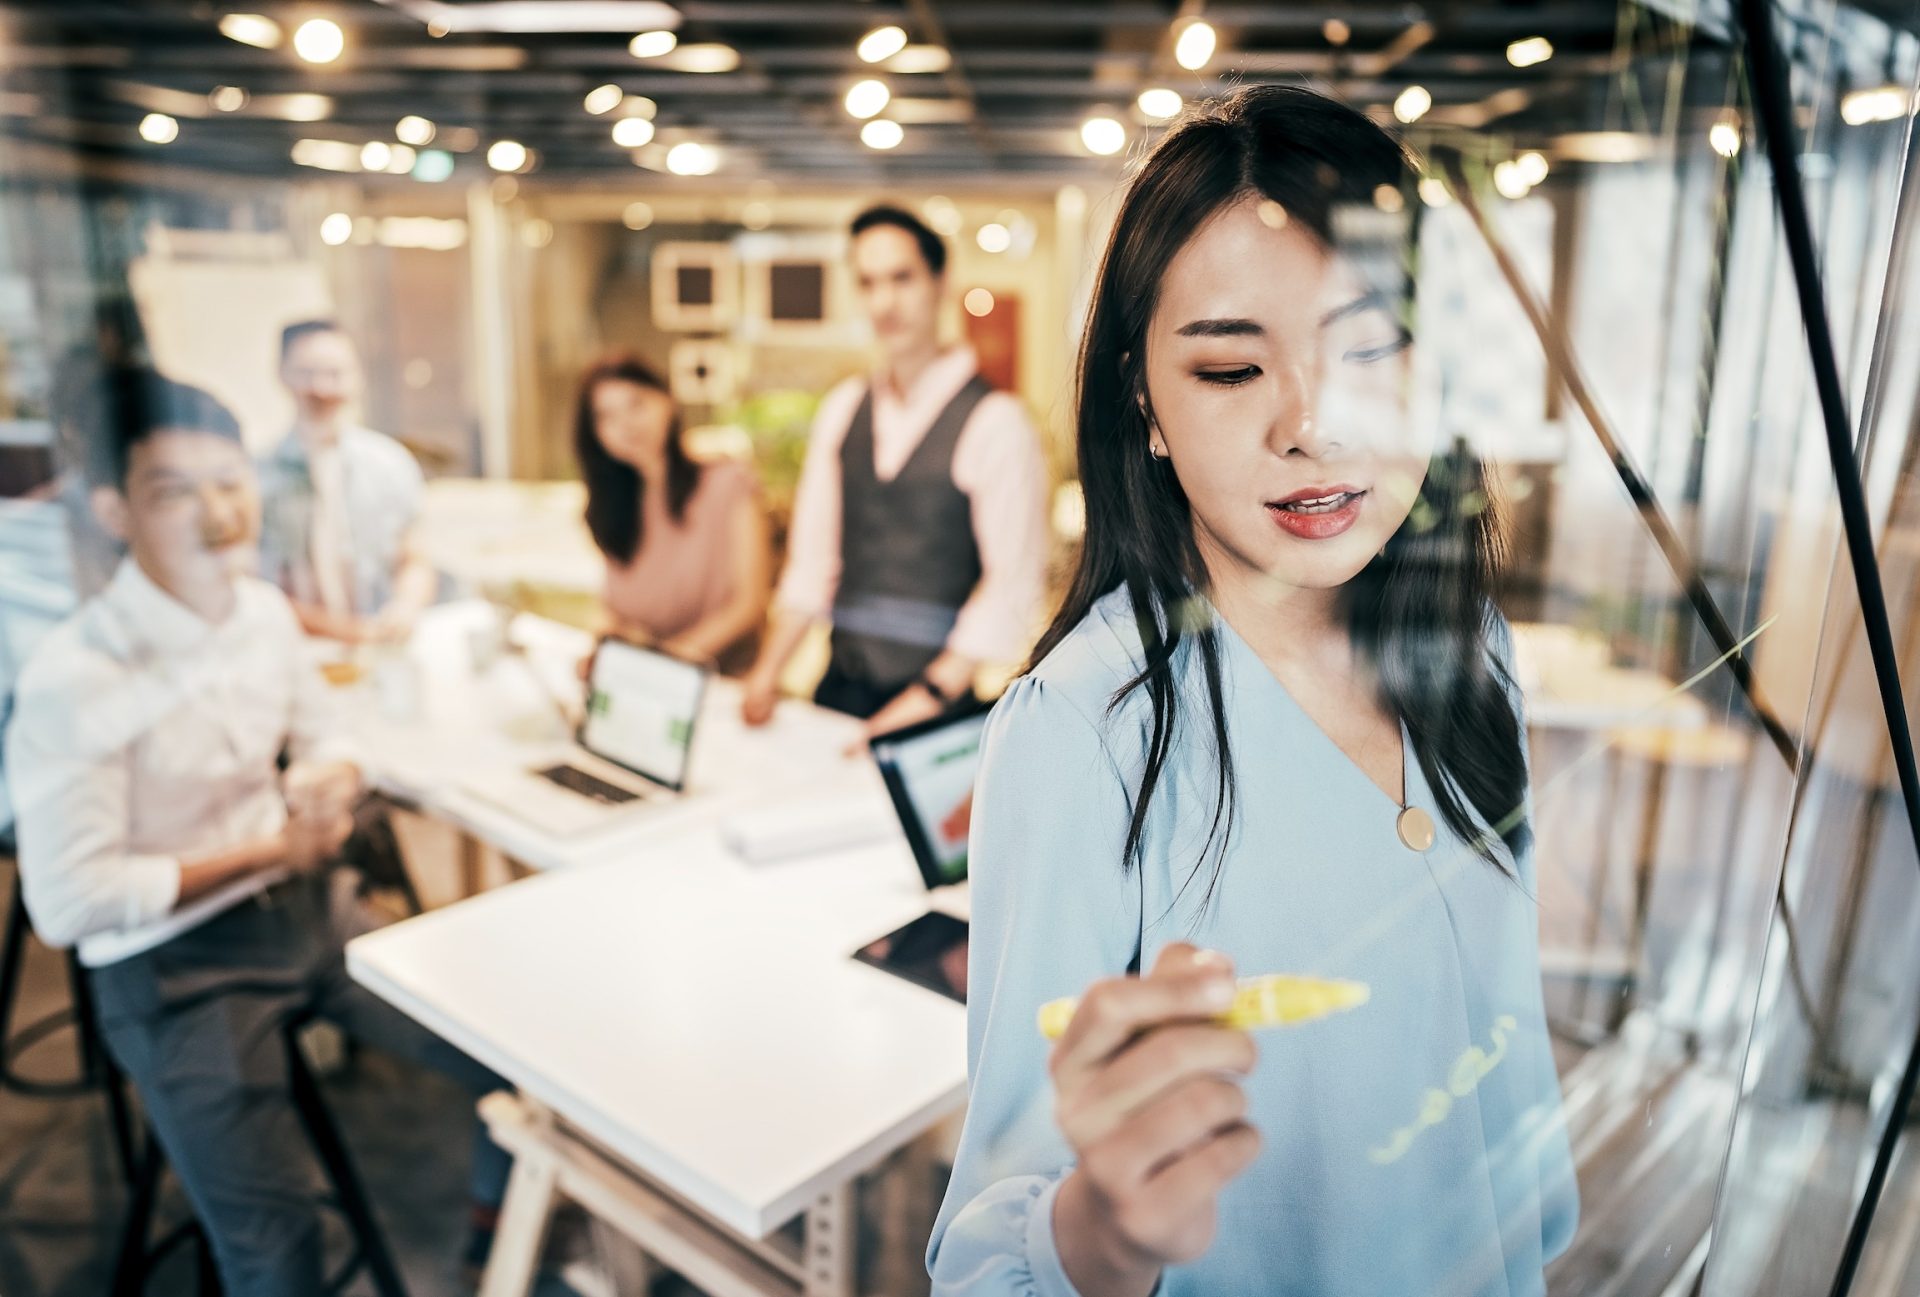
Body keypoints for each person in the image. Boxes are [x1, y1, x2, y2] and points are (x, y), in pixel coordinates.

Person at [927, 87, 1577, 1296]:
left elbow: (1504, 1051)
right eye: (1230, 368)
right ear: (1146, 404)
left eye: (1371, 347)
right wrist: (1108, 1229)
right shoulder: (1086, 729)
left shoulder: (1470, 647)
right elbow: (986, 1258)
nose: (1314, 426)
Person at [5, 368, 510, 1295]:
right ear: (115, 509)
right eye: (174, 490)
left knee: (513, 1051)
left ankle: (509, 1242)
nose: (218, 511)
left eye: (230, 480)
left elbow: (327, 729)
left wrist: (329, 774)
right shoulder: (76, 675)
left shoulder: (263, 613)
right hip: (173, 969)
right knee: (279, 1254)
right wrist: (269, 848)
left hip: (308, 916)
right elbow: (68, 901)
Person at [740, 204, 1049, 734]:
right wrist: (767, 672)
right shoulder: (843, 408)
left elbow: (1012, 587)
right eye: (868, 283)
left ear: (941, 282)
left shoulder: (995, 422)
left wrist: (926, 697)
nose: (884, 302)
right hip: (838, 688)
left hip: (935, 710)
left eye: (902, 279)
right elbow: (813, 564)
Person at [576, 353, 771, 672]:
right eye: (606, 416)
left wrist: (666, 663)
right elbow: (613, 606)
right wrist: (606, 643)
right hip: (650, 680)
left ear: (667, 400)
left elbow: (748, 605)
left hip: (727, 682)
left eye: (636, 404)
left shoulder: (728, 483)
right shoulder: (614, 504)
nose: (625, 425)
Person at [258, 318, 436, 643]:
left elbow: (414, 559)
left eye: (335, 374)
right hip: (297, 654)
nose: (322, 389)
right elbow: (253, 592)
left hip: (382, 650)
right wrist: (346, 633)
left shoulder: (390, 464)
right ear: (281, 373)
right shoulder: (256, 479)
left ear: (358, 378)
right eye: (307, 373)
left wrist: (405, 608)